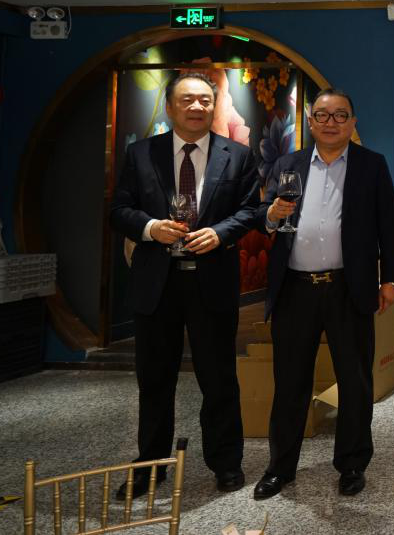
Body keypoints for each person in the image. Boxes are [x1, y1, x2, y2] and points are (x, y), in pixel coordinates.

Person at [110, 72, 261, 498]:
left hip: (211, 281)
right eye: (187, 100)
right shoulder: (142, 153)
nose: (197, 107)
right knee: (154, 379)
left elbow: (251, 210)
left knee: (219, 378)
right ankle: (150, 465)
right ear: (170, 107)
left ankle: (226, 463)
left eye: (205, 100)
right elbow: (119, 209)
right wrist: (150, 227)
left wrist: (221, 233)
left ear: (215, 106)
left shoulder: (237, 155)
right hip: (156, 282)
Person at [252, 88, 394, 500]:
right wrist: (271, 214)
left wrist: (390, 279)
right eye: (322, 115)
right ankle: (280, 467)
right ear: (310, 121)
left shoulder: (371, 165)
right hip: (295, 289)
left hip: (347, 288)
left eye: (340, 115)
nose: (331, 122)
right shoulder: (288, 163)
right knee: (290, 383)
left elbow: (388, 225)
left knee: (355, 382)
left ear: (353, 122)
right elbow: (262, 214)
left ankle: (352, 465)